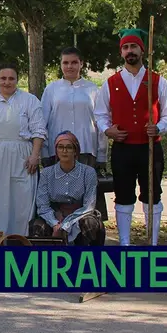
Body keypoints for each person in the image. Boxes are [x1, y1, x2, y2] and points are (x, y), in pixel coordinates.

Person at [94, 28, 167, 246]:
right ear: (121, 52)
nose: (129, 51)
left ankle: (152, 242)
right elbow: (101, 114)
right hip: (123, 150)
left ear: (142, 50)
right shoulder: (110, 83)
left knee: (152, 194)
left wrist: (159, 127)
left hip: (150, 149)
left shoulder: (158, 82)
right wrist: (108, 130)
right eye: (125, 47)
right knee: (123, 195)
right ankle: (124, 243)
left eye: (133, 46)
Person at [0, 64, 46, 236]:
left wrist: (35, 155)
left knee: (21, 201)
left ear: (17, 80)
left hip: (22, 156)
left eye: (11, 78)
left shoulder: (30, 100)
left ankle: (19, 242)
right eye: (3, 78)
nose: (7, 82)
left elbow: (39, 130)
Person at [40, 47, 108, 219]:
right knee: (58, 197)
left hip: (85, 149)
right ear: (61, 65)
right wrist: (45, 151)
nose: (69, 66)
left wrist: (101, 154)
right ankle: (59, 230)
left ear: (81, 64)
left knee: (86, 197)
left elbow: (100, 123)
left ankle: (87, 232)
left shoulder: (92, 89)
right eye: (65, 62)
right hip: (59, 151)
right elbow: (42, 122)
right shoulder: (52, 89)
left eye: (74, 62)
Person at [30, 131, 106, 246]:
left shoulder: (88, 172)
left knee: (90, 223)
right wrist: (55, 224)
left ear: (75, 151)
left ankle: (89, 260)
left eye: (69, 147)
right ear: (56, 150)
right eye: (60, 147)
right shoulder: (47, 173)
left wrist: (66, 225)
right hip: (54, 215)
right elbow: (43, 205)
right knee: (36, 226)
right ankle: (44, 261)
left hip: (80, 215)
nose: (64, 151)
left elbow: (88, 206)